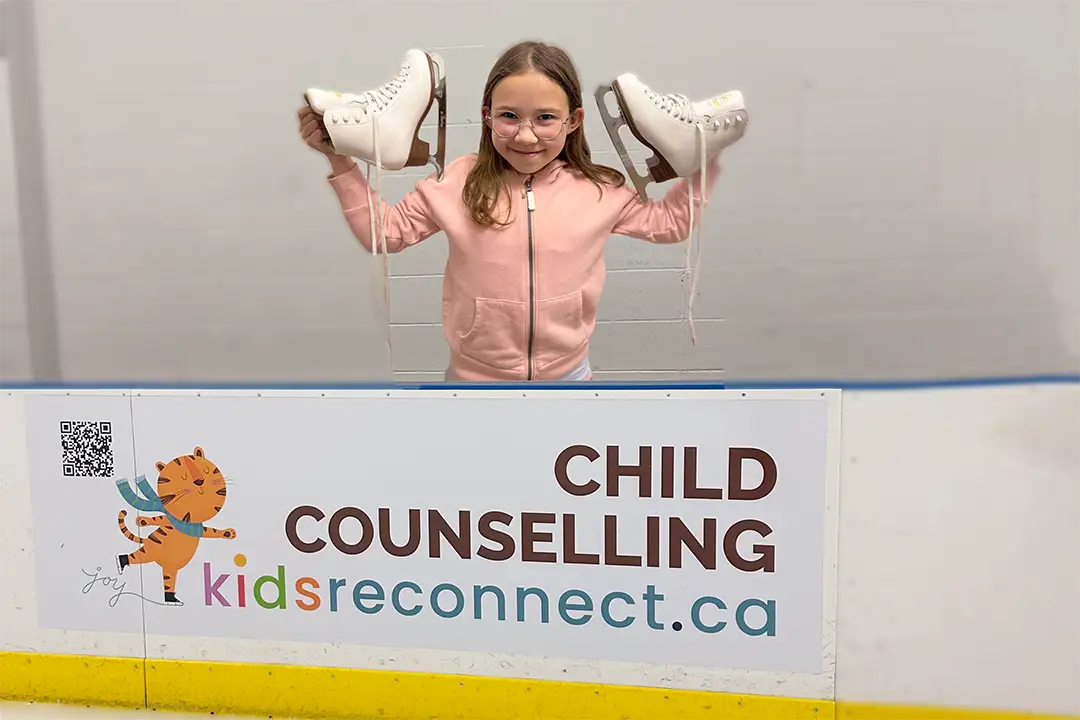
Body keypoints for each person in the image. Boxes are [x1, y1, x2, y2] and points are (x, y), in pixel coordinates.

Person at [297, 41, 722, 382]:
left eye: (545, 118)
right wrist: (340, 161)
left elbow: (670, 224)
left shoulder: (598, 188)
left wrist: (706, 157)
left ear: (573, 121)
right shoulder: (458, 182)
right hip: (473, 381)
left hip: (569, 378)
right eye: (508, 116)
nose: (525, 135)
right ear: (486, 117)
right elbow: (385, 233)